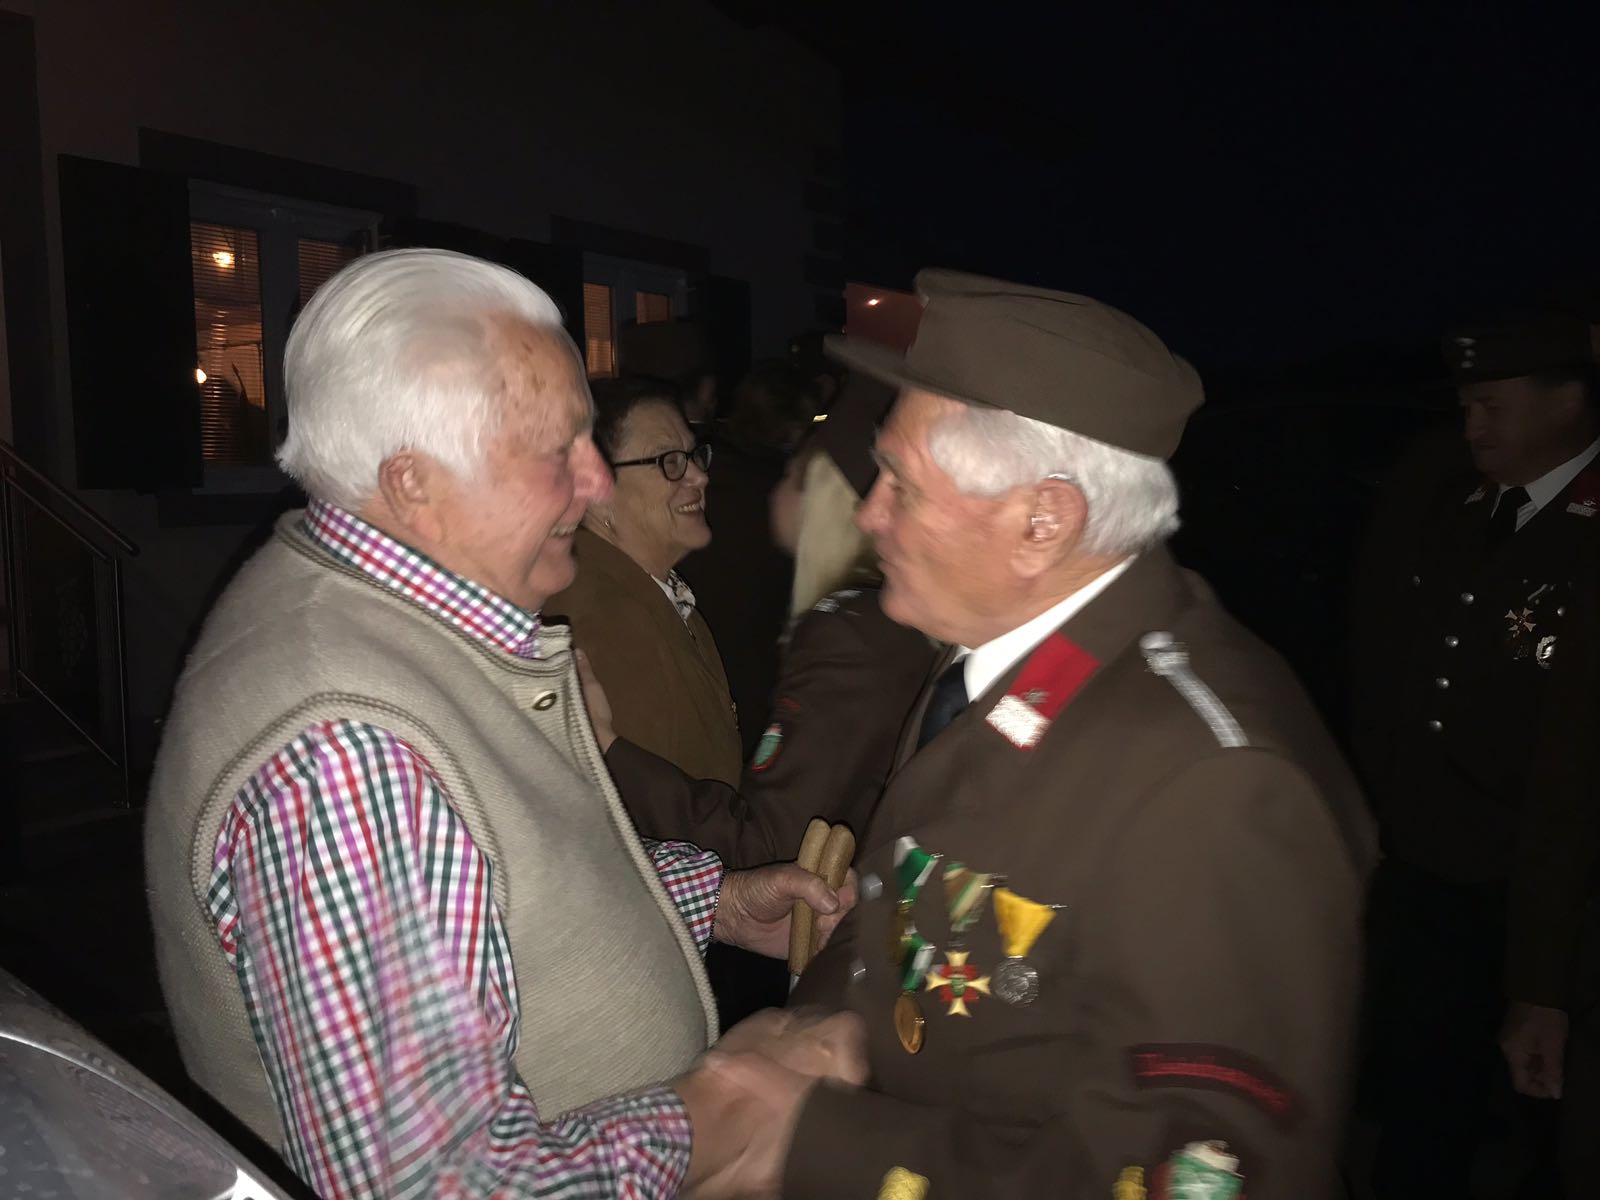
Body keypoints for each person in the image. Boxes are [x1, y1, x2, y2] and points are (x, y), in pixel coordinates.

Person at [143, 248, 865, 1200]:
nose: (596, 485)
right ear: (413, 481)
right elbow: (435, 1184)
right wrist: (722, 1111)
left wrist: (714, 900)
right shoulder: (350, 755)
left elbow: (489, 884)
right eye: (557, 450)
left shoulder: (388, 615)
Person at [743, 269, 1378, 1198]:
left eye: (902, 486)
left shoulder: (1214, 781)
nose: (869, 515)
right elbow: (924, 895)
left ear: (1043, 521)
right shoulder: (1000, 655)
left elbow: (1204, 1172)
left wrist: (809, 1143)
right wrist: (831, 1022)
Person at [1349, 315, 1600, 1197]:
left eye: (1491, 405)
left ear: (1567, 401)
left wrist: (1544, 980)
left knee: (1553, 1121)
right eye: (1464, 407)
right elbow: (1388, 670)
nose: (1472, 427)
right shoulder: (1447, 498)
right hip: (1434, 866)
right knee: (1423, 1097)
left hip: (1560, 892)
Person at [598, 373, 937, 869]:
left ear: (824, 500)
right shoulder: (613, 606)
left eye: (792, 472)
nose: (702, 477)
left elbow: (768, 844)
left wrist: (607, 749)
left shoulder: (850, 631)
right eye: (670, 461)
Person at [547, 376, 742, 786]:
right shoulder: (606, 622)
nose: (699, 477)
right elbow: (642, 807)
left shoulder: (648, 591)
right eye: (668, 461)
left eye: (693, 455)